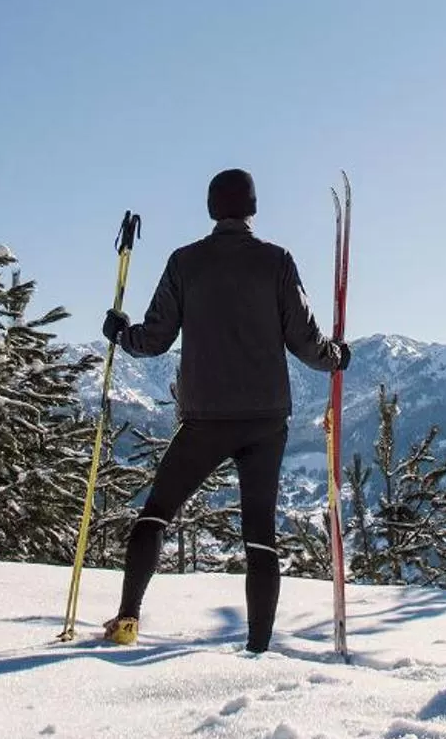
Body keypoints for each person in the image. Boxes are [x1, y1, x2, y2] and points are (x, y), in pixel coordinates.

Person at [98, 167, 351, 652]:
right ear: (252, 207)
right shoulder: (276, 262)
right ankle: (258, 646)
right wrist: (336, 357)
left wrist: (120, 333)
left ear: (212, 208)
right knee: (260, 532)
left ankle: (128, 619)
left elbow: (154, 339)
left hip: (204, 419)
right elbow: (304, 340)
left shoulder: (185, 263)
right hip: (265, 419)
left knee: (155, 515)